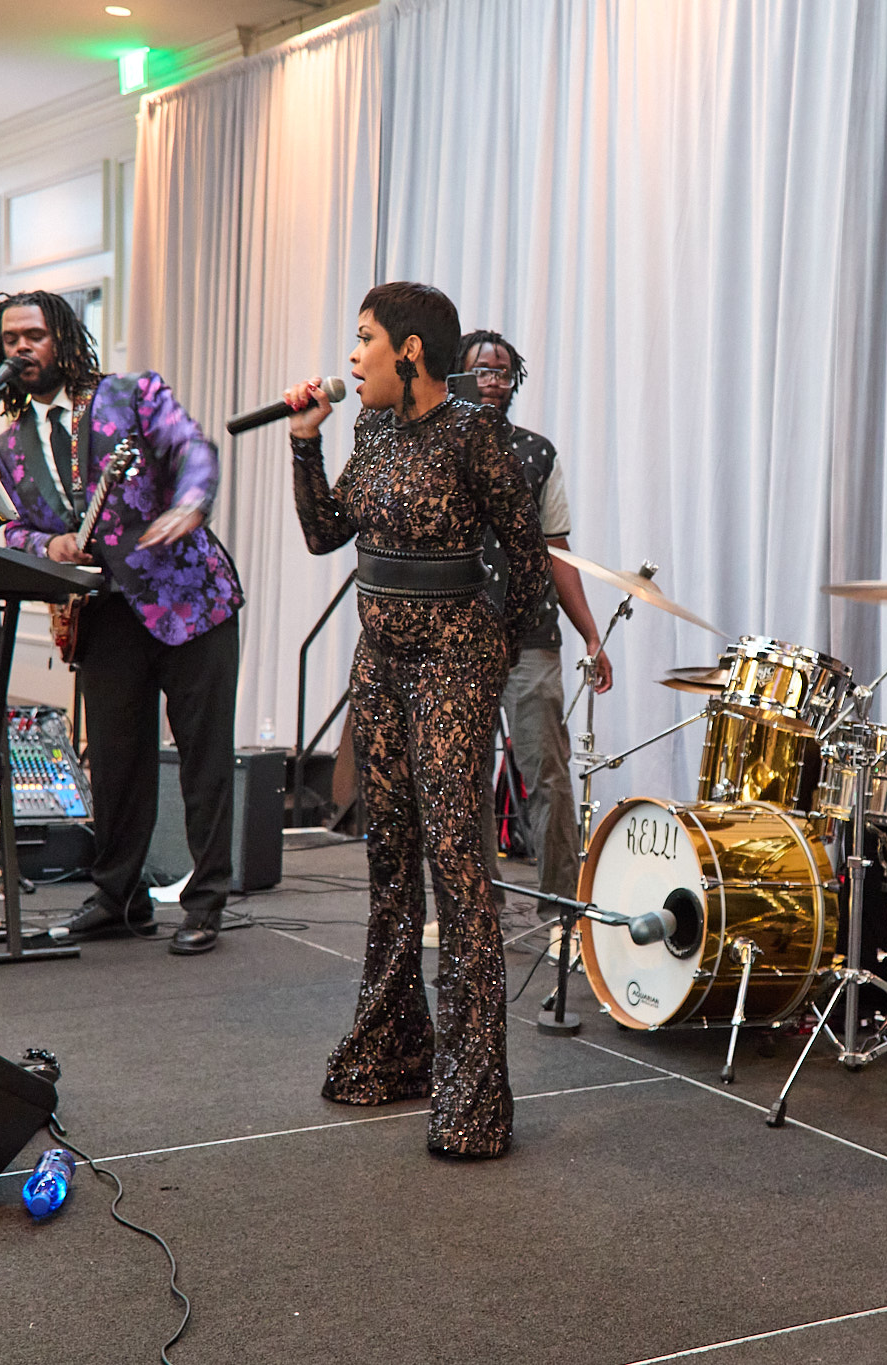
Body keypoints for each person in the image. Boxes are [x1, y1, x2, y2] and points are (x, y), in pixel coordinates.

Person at [284, 282, 548, 1159]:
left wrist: (493, 652)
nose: (351, 355)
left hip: (453, 659)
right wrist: (304, 443)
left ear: (409, 350)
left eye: (363, 338)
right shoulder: (372, 429)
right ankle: (394, 1047)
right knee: (389, 853)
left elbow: (527, 551)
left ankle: (473, 1088)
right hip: (381, 657)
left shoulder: (474, 432)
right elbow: (326, 533)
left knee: (455, 864)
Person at [0, 291, 242, 957]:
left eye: (34, 334)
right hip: (102, 612)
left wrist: (189, 503)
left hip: (190, 601)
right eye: (10, 338)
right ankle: (118, 897)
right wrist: (50, 544)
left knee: (203, 759)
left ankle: (207, 901)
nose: (22, 347)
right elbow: (13, 527)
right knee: (116, 762)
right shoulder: (9, 445)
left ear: (64, 339)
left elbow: (192, 451)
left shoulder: (131, 395)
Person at [456, 328, 611, 909]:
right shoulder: (437, 450)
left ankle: (561, 909)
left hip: (531, 636)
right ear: (457, 376)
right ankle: (474, 910)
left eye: (502, 371)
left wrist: (591, 633)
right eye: (481, 370)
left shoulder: (536, 453)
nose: (493, 381)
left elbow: (557, 549)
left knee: (546, 771)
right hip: (457, 640)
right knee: (463, 777)